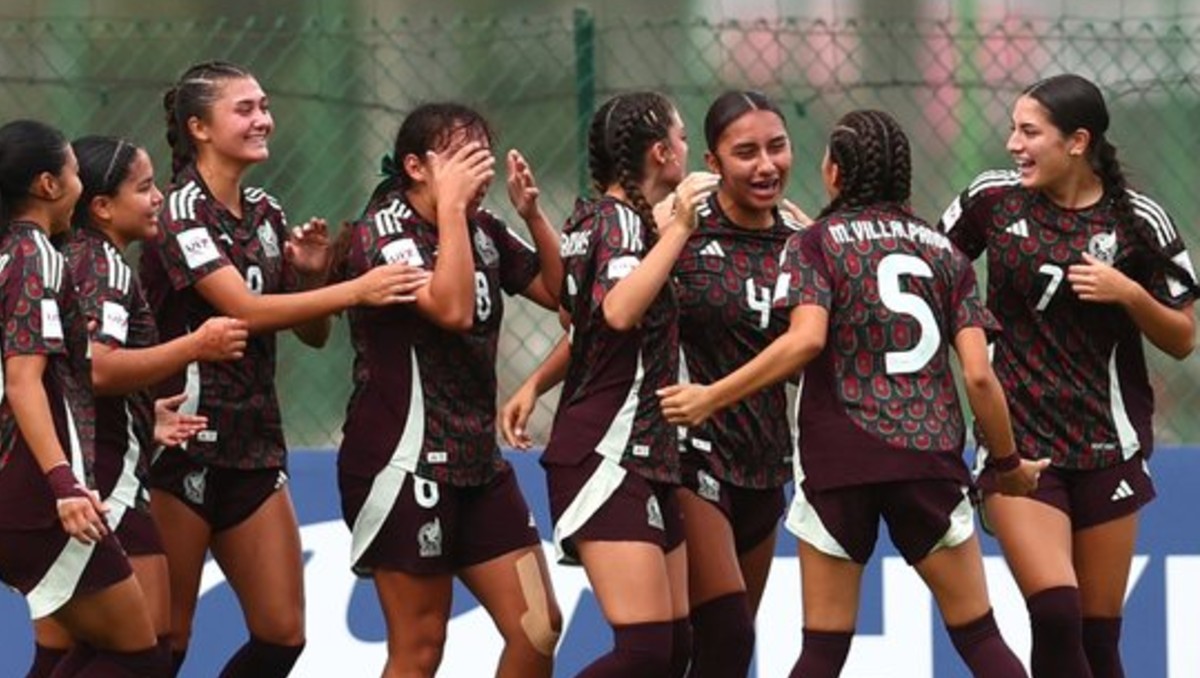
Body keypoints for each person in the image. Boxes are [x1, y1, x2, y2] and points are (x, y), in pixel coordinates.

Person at [659, 109, 1039, 678]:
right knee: (980, 635)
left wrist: (711, 396)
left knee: (822, 649)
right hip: (927, 460)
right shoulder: (945, 253)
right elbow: (980, 377)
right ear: (903, 175)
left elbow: (806, 341)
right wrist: (1006, 464)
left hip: (840, 461)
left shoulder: (813, 243)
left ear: (835, 173)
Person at [139, 60, 428, 677]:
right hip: (181, 444)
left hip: (254, 445)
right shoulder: (179, 211)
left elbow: (311, 335)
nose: (263, 119)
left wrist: (313, 276)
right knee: (169, 641)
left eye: (264, 106)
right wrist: (355, 290)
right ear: (198, 127)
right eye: (243, 109)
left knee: (282, 635)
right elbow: (242, 308)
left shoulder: (267, 211)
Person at [937, 74, 1197, 677]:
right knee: (1056, 610)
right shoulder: (992, 201)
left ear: (1077, 142)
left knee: (1099, 638)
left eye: (1029, 132)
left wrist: (1129, 293)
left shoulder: (1138, 220)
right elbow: (927, 265)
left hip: (1109, 446)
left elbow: (1183, 339)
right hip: (1021, 449)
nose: (1012, 144)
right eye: (1012, 129)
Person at [331, 102, 564, 678]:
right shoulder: (385, 234)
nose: (477, 170)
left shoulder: (484, 228)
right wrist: (455, 210)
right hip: (404, 461)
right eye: (461, 157)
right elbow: (454, 310)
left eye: (482, 155)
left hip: (477, 462)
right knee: (420, 647)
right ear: (415, 166)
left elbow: (565, 300)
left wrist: (532, 217)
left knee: (540, 627)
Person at [25, 135, 252, 678]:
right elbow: (97, 368)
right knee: (147, 648)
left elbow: (66, 374)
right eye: (145, 188)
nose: (158, 199)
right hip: (101, 480)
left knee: (75, 648)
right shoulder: (101, 265)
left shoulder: (69, 258)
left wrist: (142, 418)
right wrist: (195, 345)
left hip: (85, 466)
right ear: (101, 206)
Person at [509, 91, 717, 677]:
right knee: (645, 652)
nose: (685, 148)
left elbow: (586, 328)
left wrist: (535, 384)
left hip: (644, 452)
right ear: (659, 152)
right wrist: (679, 228)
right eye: (679, 138)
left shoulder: (598, 220)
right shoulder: (624, 221)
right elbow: (621, 311)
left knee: (673, 650)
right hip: (607, 452)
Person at [0, 119, 169, 677]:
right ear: (49, 185)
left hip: (19, 487)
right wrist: (63, 482)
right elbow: (24, 379)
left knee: (87, 649)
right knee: (139, 657)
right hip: (32, 490)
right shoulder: (36, 257)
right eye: (73, 170)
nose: (79, 179)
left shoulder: (9, 254)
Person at [672, 90, 807, 676]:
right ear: (713, 162)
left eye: (776, 148)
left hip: (767, 461)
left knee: (723, 652)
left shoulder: (804, 243)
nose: (765, 165)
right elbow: (613, 314)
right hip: (691, 456)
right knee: (724, 630)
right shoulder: (683, 235)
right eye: (745, 152)